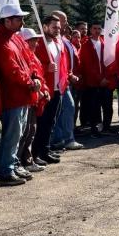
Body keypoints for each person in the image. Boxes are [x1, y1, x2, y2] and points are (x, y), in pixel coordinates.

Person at [0, 4, 40, 186]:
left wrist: (35, 76)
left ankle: (13, 163)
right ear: (7, 21)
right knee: (12, 134)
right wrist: (31, 82)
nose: (22, 23)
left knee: (19, 132)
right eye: (19, 19)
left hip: (23, 94)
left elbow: (29, 60)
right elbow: (12, 70)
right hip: (13, 97)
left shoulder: (14, 39)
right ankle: (6, 169)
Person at [33, 15, 66, 163]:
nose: (57, 30)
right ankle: (36, 153)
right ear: (45, 27)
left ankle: (45, 149)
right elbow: (32, 65)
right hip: (45, 89)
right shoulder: (39, 43)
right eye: (54, 27)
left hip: (58, 87)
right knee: (42, 122)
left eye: (58, 27)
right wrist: (46, 68)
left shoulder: (57, 42)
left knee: (51, 122)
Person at [50, 10, 83, 151]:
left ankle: (65, 138)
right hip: (57, 83)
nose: (66, 23)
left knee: (68, 108)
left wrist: (70, 74)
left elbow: (66, 62)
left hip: (65, 81)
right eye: (64, 20)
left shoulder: (64, 40)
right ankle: (61, 139)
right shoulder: (52, 40)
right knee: (61, 110)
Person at [17, 28, 48, 176]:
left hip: (35, 98)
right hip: (28, 97)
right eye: (32, 40)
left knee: (31, 130)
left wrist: (45, 89)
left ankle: (28, 159)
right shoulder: (24, 56)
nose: (36, 42)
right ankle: (23, 161)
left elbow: (40, 76)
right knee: (26, 132)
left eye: (35, 39)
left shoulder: (32, 56)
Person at [78, 23, 110, 137]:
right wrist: (99, 78)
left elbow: (107, 62)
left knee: (106, 105)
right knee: (94, 106)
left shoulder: (104, 43)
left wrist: (106, 77)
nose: (97, 31)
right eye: (94, 28)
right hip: (92, 82)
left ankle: (105, 127)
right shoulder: (86, 44)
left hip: (104, 81)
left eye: (99, 29)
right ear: (90, 30)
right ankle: (94, 129)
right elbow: (88, 65)